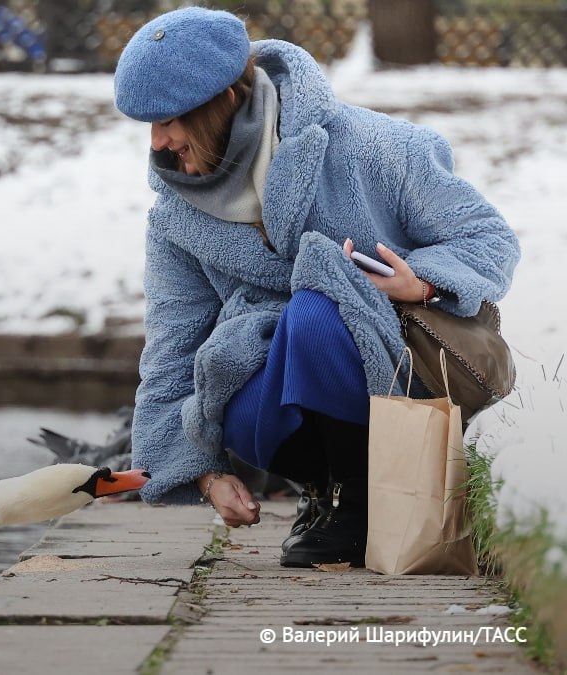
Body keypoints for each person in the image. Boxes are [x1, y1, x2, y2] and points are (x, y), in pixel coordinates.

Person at [113, 7, 519, 567]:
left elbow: (487, 238)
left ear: (226, 97)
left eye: (170, 120)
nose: (158, 143)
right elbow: (172, 346)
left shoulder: (373, 146)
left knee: (313, 312)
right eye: (149, 125)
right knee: (220, 374)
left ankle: (359, 496)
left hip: (402, 361)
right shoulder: (175, 219)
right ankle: (326, 490)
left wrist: (421, 283)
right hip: (279, 365)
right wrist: (202, 472)